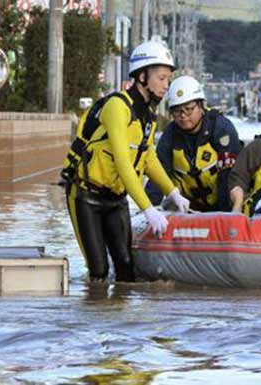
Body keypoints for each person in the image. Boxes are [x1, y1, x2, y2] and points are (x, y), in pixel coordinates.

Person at [61, 40, 190, 282]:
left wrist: (172, 192)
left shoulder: (148, 117)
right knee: (98, 272)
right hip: (85, 197)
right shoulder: (117, 107)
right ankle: (95, 312)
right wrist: (148, 209)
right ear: (142, 76)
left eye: (168, 79)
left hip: (116, 199)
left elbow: (147, 157)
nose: (166, 85)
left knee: (126, 269)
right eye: (161, 78)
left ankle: (121, 317)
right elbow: (123, 163)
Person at [145, 76, 241, 212]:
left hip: (222, 205)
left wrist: (223, 215)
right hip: (188, 209)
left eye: (188, 109)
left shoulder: (221, 129)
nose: (183, 116)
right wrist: (149, 210)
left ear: (202, 106)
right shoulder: (170, 135)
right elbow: (159, 173)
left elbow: (230, 176)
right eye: (177, 111)